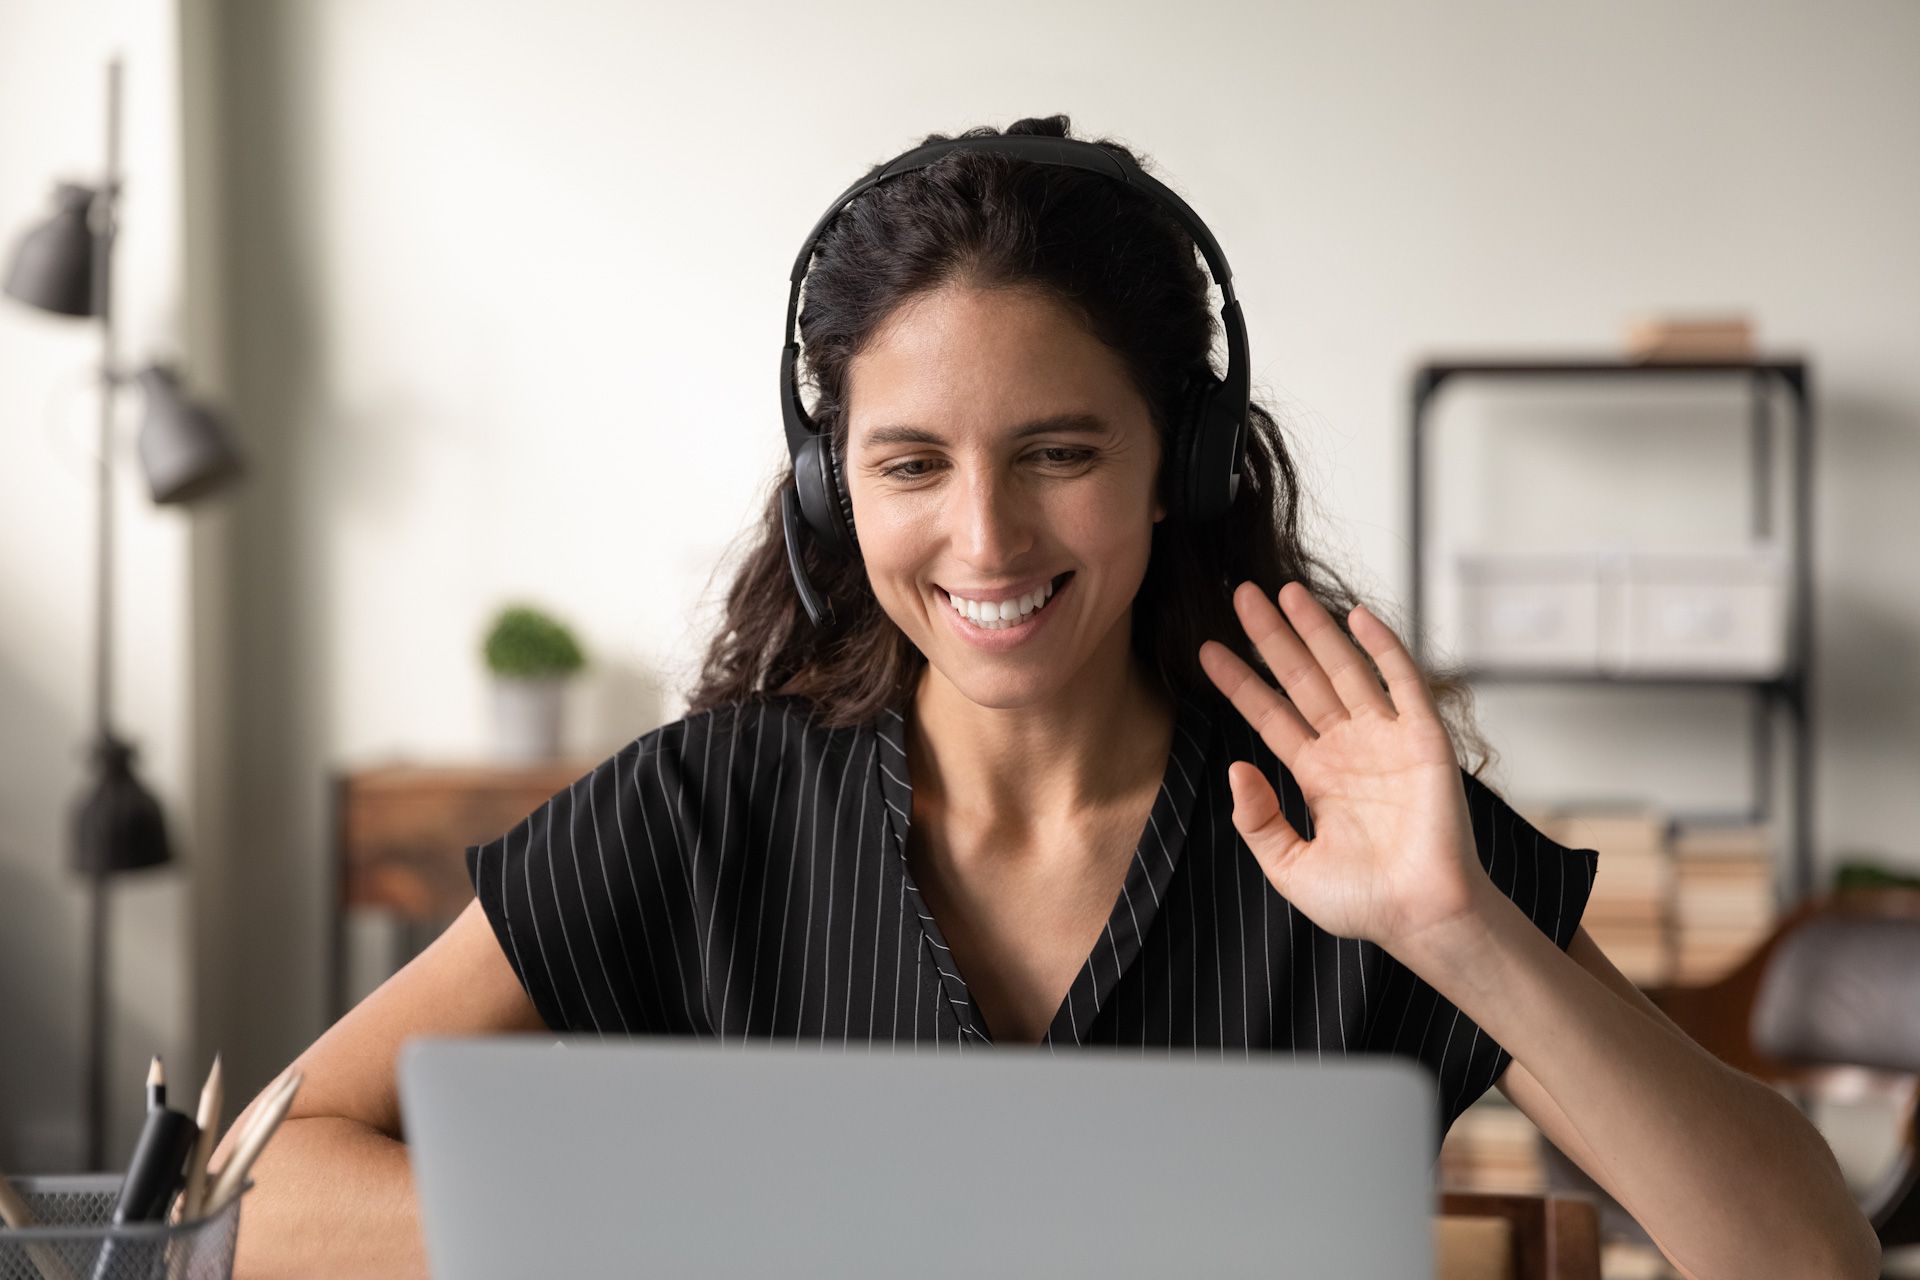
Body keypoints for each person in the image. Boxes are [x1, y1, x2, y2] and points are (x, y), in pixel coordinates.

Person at [217, 115, 1879, 1280]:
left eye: (1060, 454)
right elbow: (249, 1190)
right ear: (829, 495)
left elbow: (1808, 1257)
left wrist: (1461, 935)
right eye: (911, 465)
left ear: (1183, 469)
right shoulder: (703, 810)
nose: (986, 539)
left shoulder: (1354, 818)